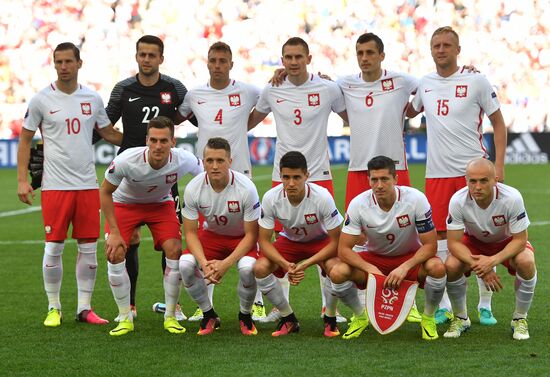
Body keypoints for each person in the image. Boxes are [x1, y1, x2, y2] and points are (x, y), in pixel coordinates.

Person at [17, 42, 122, 327]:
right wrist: (23, 180)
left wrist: (137, 139)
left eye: (68, 61)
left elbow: (108, 132)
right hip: (54, 186)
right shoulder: (41, 100)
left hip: (88, 185)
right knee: (53, 247)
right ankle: (54, 307)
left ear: (79, 63)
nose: (63, 66)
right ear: (54, 64)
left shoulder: (92, 98)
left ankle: (84, 308)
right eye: (58, 62)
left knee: (89, 248)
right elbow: (25, 139)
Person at [408, 26, 507, 325]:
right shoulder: (424, 83)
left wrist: (498, 167)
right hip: (437, 174)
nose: (441, 50)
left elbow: (499, 124)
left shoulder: (476, 80)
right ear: (430, 49)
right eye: (436, 45)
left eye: (447, 45)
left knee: (484, 236)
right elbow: (406, 109)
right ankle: (448, 307)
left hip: (473, 172)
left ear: (457, 49)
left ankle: (486, 304)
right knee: (441, 240)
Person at [248, 37, 348, 323]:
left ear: (309, 58)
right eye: (288, 57)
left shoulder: (328, 88)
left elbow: (350, 114)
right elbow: (250, 120)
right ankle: (281, 309)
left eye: (298, 57)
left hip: (320, 174)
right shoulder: (272, 88)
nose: (293, 62)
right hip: (284, 178)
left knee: (326, 241)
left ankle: (330, 310)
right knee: (280, 240)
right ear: (282, 61)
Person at [100, 35, 191, 320]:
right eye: (143, 54)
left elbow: (191, 114)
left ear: (161, 58)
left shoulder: (174, 88)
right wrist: (128, 145)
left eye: (153, 55)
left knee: (172, 240)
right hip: (129, 177)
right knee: (130, 241)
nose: (147, 59)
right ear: (136, 56)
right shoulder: (124, 88)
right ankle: (130, 306)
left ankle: (173, 305)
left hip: (164, 178)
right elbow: (105, 124)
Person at [337, 32, 423, 323]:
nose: (364, 58)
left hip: (394, 169)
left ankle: (408, 302)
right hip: (358, 170)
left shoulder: (401, 81)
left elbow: (435, 85)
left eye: (370, 52)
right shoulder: (345, 83)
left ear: (381, 55)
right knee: (359, 241)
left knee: (407, 237)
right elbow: (315, 84)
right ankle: (366, 306)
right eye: (360, 52)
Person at [178, 41, 265, 321]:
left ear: (231, 64)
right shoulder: (194, 95)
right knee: (209, 233)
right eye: (213, 60)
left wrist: (241, 127)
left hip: (241, 175)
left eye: (222, 60)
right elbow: (176, 117)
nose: (217, 65)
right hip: (208, 177)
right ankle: (206, 303)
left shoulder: (249, 91)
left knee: (251, 237)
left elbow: (270, 101)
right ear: (207, 63)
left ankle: (259, 301)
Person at [100, 116, 203, 336]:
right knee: (114, 252)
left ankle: (170, 317)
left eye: (164, 141)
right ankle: (125, 317)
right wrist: (115, 233)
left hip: (159, 204)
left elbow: (205, 180)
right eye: (154, 140)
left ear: (173, 142)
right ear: (146, 140)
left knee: (175, 250)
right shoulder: (127, 160)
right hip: (124, 203)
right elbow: (105, 192)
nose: (158, 146)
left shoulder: (184, 159)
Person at [330, 156, 447, 340]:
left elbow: (431, 245)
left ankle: (428, 318)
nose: (379, 185)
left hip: (409, 259)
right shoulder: (358, 204)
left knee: (437, 267)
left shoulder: (415, 199)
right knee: (337, 272)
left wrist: (404, 267)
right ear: (368, 180)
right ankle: (360, 317)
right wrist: (371, 269)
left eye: (384, 179)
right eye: (374, 179)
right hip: (375, 259)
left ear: (395, 179)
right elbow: (343, 249)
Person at [254, 151, 356, 337]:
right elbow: (264, 241)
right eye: (286, 177)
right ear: (280, 176)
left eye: (296, 177)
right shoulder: (271, 197)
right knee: (259, 268)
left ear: (306, 176)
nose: (291, 183)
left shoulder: (322, 196)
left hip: (321, 242)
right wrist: (286, 265)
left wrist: (305, 264)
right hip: (290, 241)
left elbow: (336, 241)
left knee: (335, 269)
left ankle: (330, 319)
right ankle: (288, 318)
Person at [444, 159, 536, 340]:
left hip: (507, 241)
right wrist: (480, 266)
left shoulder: (512, 197)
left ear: (495, 180)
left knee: (526, 261)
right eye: (472, 181)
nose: (477, 186)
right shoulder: (457, 200)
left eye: (484, 180)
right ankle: (461, 317)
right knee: (451, 265)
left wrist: (492, 261)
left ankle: (519, 319)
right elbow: (454, 243)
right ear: (466, 180)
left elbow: (520, 240)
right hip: (474, 242)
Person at [178, 137, 261, 336]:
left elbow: (252, 235)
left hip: (241, 238)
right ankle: (209, 315)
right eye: (209, 161)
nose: (214, 166)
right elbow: (190, 232)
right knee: (185, 264)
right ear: (203, 161)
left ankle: (245, 315)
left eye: (220, 161)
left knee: (247, 269)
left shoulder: (246, 188)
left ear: (230, 162)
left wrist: (225, 264)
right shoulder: (192, 188)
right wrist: (204, 262)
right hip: (212, 237)